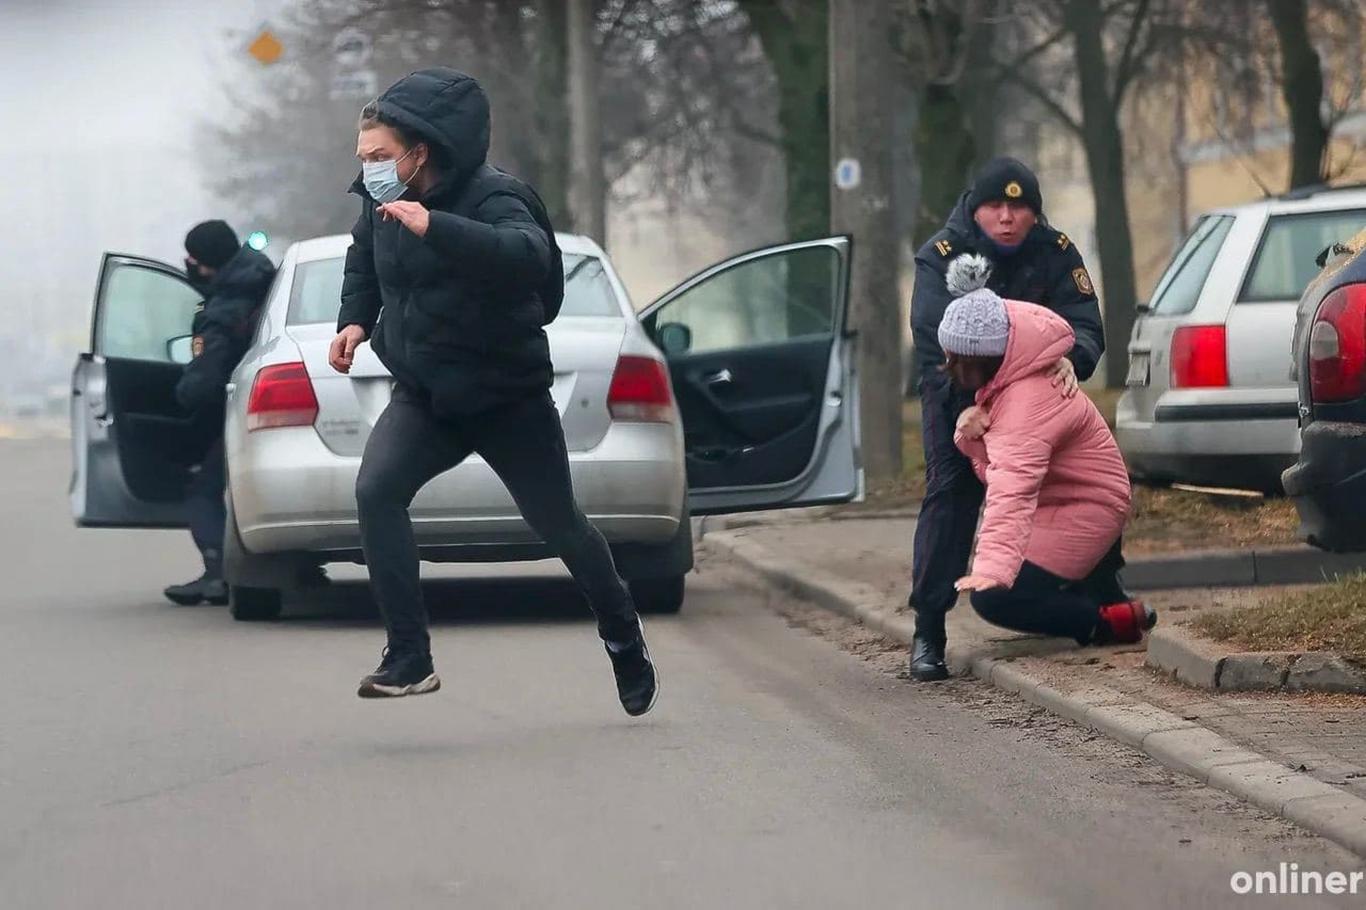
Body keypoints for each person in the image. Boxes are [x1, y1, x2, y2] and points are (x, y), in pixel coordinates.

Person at [330, 68, 657, 713]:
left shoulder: (494, 196)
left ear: (420, 151)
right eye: (362, 157)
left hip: (506, 397)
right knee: (375, 491)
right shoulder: (379, 204)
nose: (369, 169)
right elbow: (363, 263)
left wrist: (436, 228)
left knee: (558, 525)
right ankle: (409, 657)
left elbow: (528, 257)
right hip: (426, 396)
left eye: (380, 156)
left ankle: (621, 630)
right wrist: (355, 321)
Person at [907, 156, 1107, 681]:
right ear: (976, 210)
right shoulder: (941, 256)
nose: (1007, 217)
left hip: (1036, 395)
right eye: (995, 206)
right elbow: (934, 340)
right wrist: (966, 403)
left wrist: (1074, 357)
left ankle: (1102, 592)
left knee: (1083, 480)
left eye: (1019, 207)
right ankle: (929, 628)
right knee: (951, 497)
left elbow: (1086, 321)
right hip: (960, 396)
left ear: (1034, 214)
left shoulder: (1056, 251)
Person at [937, 255, 1156, 644]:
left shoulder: (1026, 401)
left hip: (1085, 506)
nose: (947, 366)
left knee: (993, 600)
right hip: (1059, 501)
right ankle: (1098, 600)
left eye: (954, 359)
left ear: (978, 359)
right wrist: (968, 431)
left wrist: (993, 569)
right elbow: (998, 467)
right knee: (1009, 583)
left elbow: (1010, 488)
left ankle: (1106, 624)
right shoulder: (1015, 369)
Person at [163, 221, 276, 606]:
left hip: (237, 409)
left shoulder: (226, 306)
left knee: (204, 490)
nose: (190, 265)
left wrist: (181, 393)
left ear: (207, 261)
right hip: (270, 406)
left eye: (193, 258)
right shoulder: (264, 277)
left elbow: (206, 376)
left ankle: (218, 572)